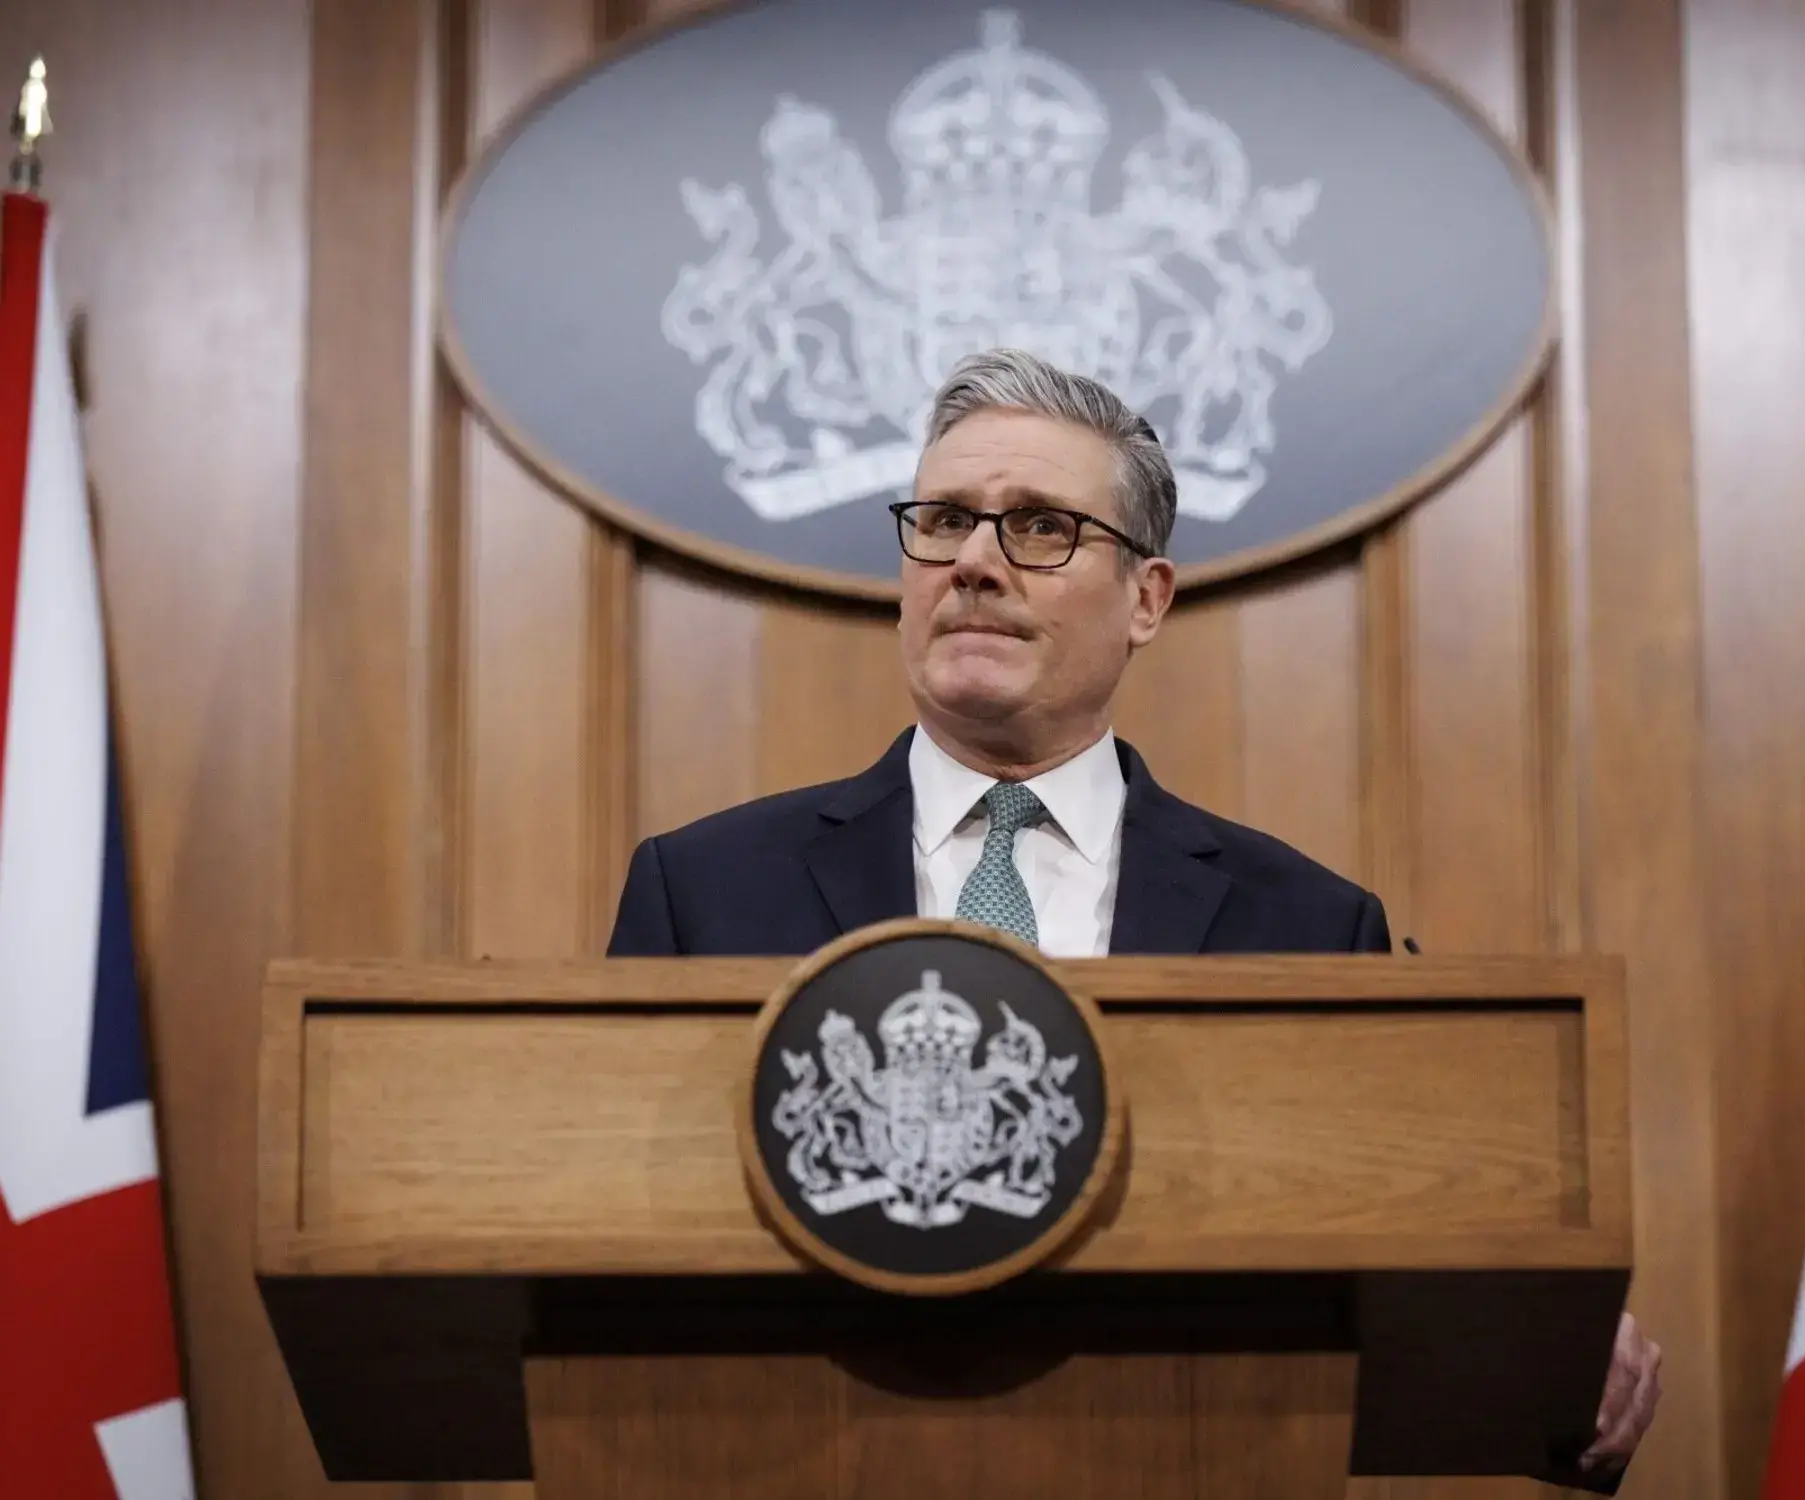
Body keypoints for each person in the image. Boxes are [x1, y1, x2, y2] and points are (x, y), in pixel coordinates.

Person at [608, 347, 1660, 1482]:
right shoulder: (701, 890)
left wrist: (1538, 1329)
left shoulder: (1308, 927)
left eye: (1040, 528)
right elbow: (604, 1228)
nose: (974, 563)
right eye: (944, 521)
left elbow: (1401, 1237)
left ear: (1146, 599)